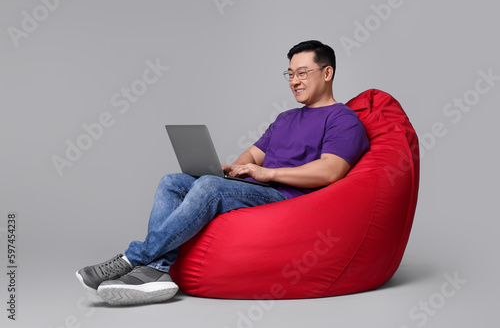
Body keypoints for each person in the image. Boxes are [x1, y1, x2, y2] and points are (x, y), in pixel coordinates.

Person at [76, 40, 370, 305]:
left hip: (288, 197)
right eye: (290, 74)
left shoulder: (343, 119)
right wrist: (234, 169)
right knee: (172, 182)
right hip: (260, 187)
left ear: (327, 73)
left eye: (302, 73)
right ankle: (158, 271)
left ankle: (134, 258)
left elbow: (331, 171)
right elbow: (255, 154)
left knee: (208, 187)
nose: (294, 81)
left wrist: (269, 174)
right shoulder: (286, 118)